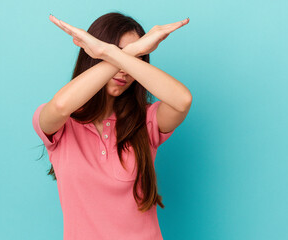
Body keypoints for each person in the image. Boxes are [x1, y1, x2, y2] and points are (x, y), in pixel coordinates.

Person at [32, 12, 192, 240]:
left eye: (135, 59)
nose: (125, 70)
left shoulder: (147, 120)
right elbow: (58, 106)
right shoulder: (63, 123)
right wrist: (127, 53)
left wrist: (107, 51)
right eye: (111, 52)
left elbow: (182, 100)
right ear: (91, 56)